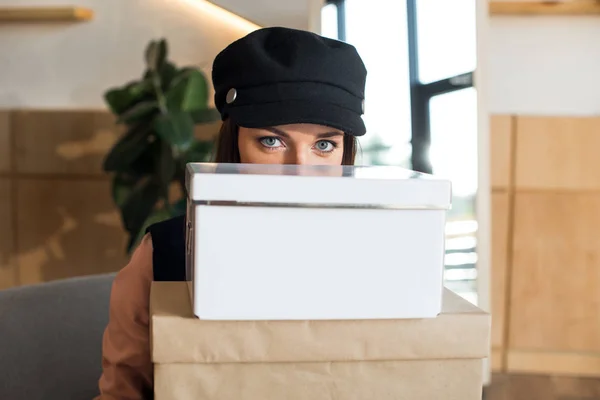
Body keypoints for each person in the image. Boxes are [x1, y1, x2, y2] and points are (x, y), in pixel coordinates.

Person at [95, 26, 367, 399]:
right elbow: (123, 392)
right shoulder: (165, 254)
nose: (299, 169)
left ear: (346, 153)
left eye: (324, 144)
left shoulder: (377, 256)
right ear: (234, 141)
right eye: (272, 141)